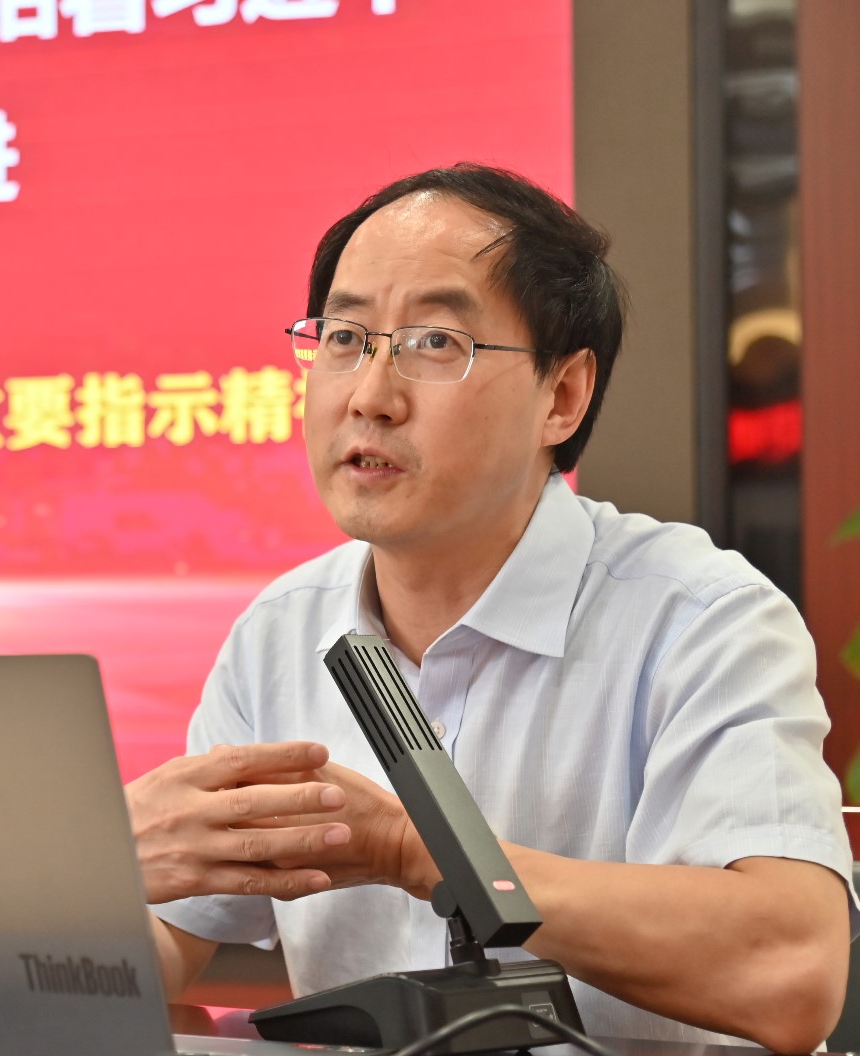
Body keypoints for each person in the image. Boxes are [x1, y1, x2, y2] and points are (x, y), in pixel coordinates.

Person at [126, 163, 854, 1052]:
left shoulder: (700, 618)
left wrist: (418, 850)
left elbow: (790, 972)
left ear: (563, 395)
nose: (369, 397)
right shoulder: (280, 632)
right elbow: (165, 947)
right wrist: (101, 871)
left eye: (435, 342)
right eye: (345, 337)